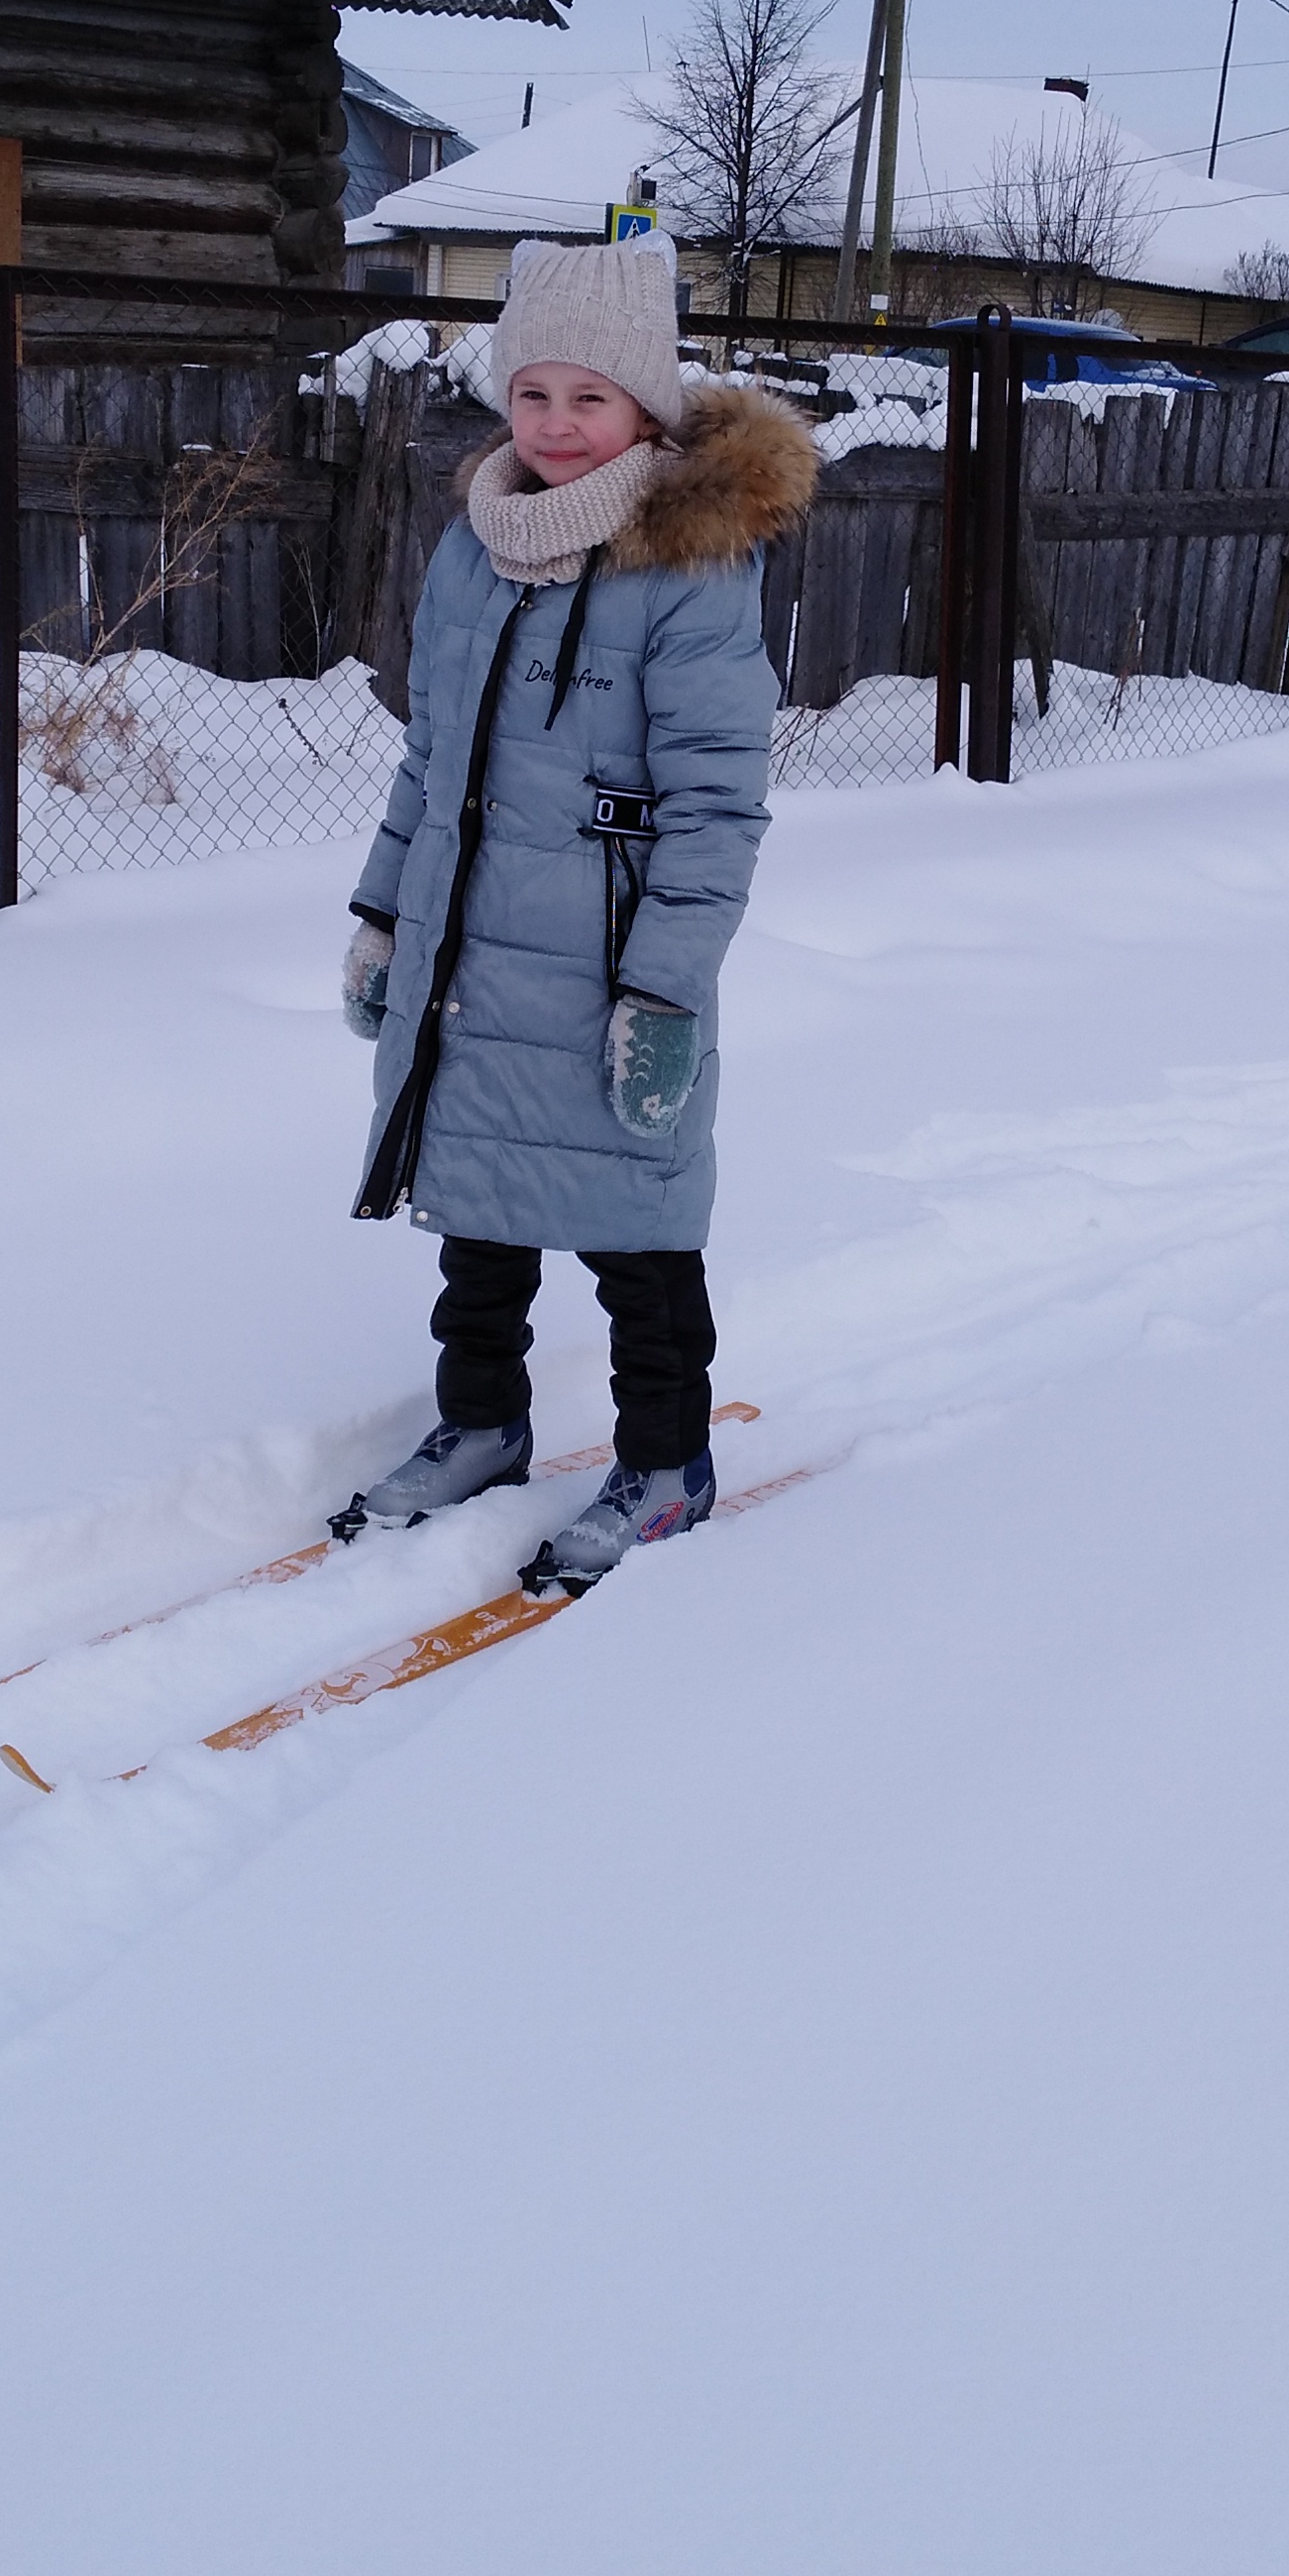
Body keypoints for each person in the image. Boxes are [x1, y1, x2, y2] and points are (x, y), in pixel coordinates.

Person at [337, 234, 815, 1585]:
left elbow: (718, 809)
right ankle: (481, 1424)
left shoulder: (689, 571)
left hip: (608, 973)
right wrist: (385, 915)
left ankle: (667, 1462)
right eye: (533, 392)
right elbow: (431, 759)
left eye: (589, 398)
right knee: (474, 1213)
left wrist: (662, 994)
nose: (556, 423)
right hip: (474, 959)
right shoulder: (474, 552)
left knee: (636, 1235)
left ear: (646, 407)